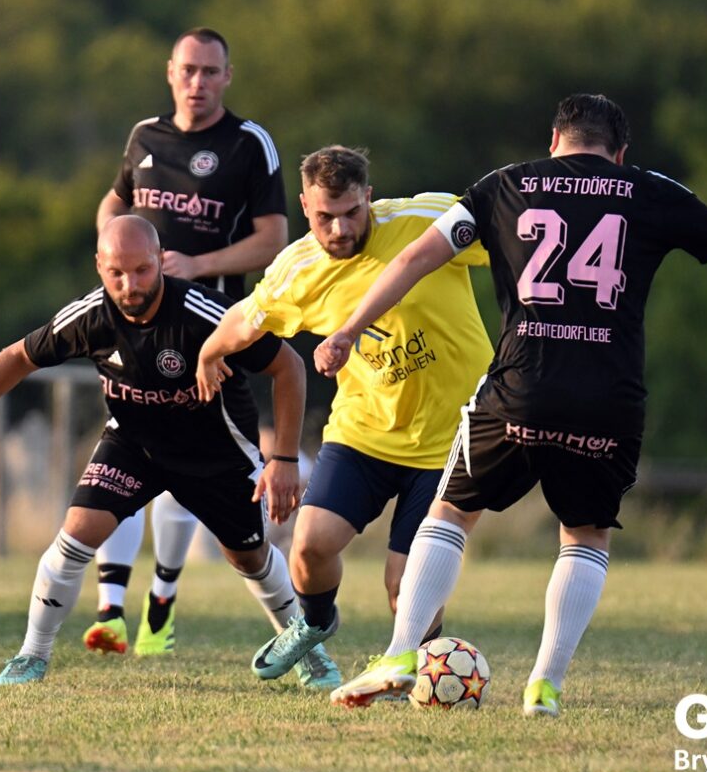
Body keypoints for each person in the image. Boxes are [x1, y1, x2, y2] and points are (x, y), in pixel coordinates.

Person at [317, 94, 707, 712]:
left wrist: (348, 330)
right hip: (608, 400)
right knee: (586, 536)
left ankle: (403, 651)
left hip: (521, 389)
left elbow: (415, 259)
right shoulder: (647, 189)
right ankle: (546, 684)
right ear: (620, 152)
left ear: (553, 141)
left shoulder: (506, 184)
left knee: (451, 512)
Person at [0, 217, 337, 688]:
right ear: (99, 266)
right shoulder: (91, 317)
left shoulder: (205, 313)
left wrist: (284, 460)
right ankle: (32, 654)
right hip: (134, 445)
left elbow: (288, 367)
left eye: (141, 270)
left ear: (160, 260)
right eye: (116, 273)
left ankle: (309, 652)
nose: (129, 285)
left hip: (215, 454)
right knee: (78, 531)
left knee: (248, 558)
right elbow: (18, 358)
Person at [195, 145, 494, 686]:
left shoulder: (427, 220)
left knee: (404, 586)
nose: (339, 229)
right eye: (324, 217)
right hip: (363, 433)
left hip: (450, 438)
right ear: (304, 206)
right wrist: (209, 352)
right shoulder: (298, 269)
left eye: (352, 212)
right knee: (309, 546)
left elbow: (516, 239)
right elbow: (247, 318)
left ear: (369, 198)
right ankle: (314, 622)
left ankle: (422, 676)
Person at [88, 26, 289, 659]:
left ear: (227, 76)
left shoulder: (248, 144)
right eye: (188, 70)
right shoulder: (145, 136)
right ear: (169, 72)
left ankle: (164, 597)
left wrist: (197, 266)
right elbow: (114, 203)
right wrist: (115, 250)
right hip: (135, 324)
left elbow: (273, 240)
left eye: (209, 71)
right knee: (126, 452)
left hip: (211, 333)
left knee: (187, 469)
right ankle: (110, 609)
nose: (197, 82)